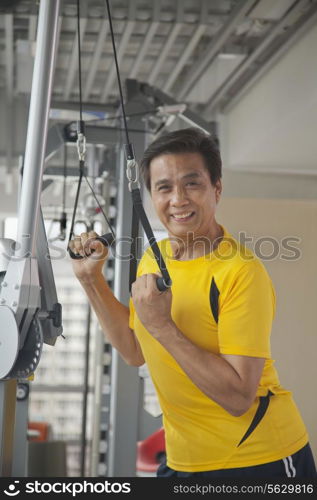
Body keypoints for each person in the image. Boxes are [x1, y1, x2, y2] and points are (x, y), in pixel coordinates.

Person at [69, 127, 316, 478]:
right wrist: (90, 280)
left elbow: (237, 397)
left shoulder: (241, 271)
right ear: (151, 196)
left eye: (192, 184)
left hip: (257, 459)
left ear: (216, 188)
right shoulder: (156, 258)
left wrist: (163, 326)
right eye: (164, 187)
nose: (178, 200)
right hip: (183, 459)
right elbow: (135, 350)